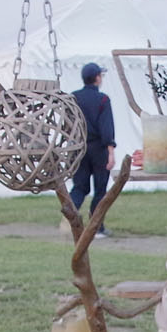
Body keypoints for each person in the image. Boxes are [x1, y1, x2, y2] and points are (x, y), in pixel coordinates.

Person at [67, 62, 116, 226]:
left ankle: (69, 219)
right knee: (100, 190)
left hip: (78, 148)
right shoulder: (102, 99)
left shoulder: (73, 98)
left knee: (79, 187)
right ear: (97, 78)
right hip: (98, 149)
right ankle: (97, 226)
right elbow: (106, 128)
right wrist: (111, 153)